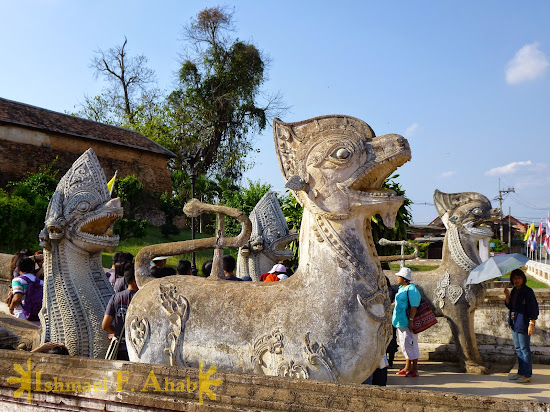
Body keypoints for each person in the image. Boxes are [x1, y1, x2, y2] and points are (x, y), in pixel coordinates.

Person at [504, 268, 539, 384]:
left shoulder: (527, 291)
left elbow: (533, 308)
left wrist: (532, 323)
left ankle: (527, 374)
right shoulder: (514, 291)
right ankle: (520, 372)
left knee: (525, 349)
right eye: (515, 278)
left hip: (523, 323)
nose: (517, 280)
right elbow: (511, 307)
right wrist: (507, 296)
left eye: (519, 278)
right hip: (514, 323)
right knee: (518, 349)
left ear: (523, 279)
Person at [102, 263, 139, 361]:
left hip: (120, 348)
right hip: (138, 349)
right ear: (136, 280)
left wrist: (117, 333)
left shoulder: (115, 298)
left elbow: (105, 325)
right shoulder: (143, 298)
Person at [392, 266, 421, 377]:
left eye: (399, 276)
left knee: (411, 343)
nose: (397, 278)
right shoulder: (401, 289)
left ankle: (414, 368)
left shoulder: (412, 290)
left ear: (404, 278)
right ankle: (407, 366)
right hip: (400, 321)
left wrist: (411, 320)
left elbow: (414, 306)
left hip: (407, 321)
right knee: (404, 344)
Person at [9, 257, 44, 325]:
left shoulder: (18, 281)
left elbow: (17, 298)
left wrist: (11, 308)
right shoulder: (41, 282)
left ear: (18, 269)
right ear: (33, 269)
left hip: (22, 316)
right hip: (38, 318)